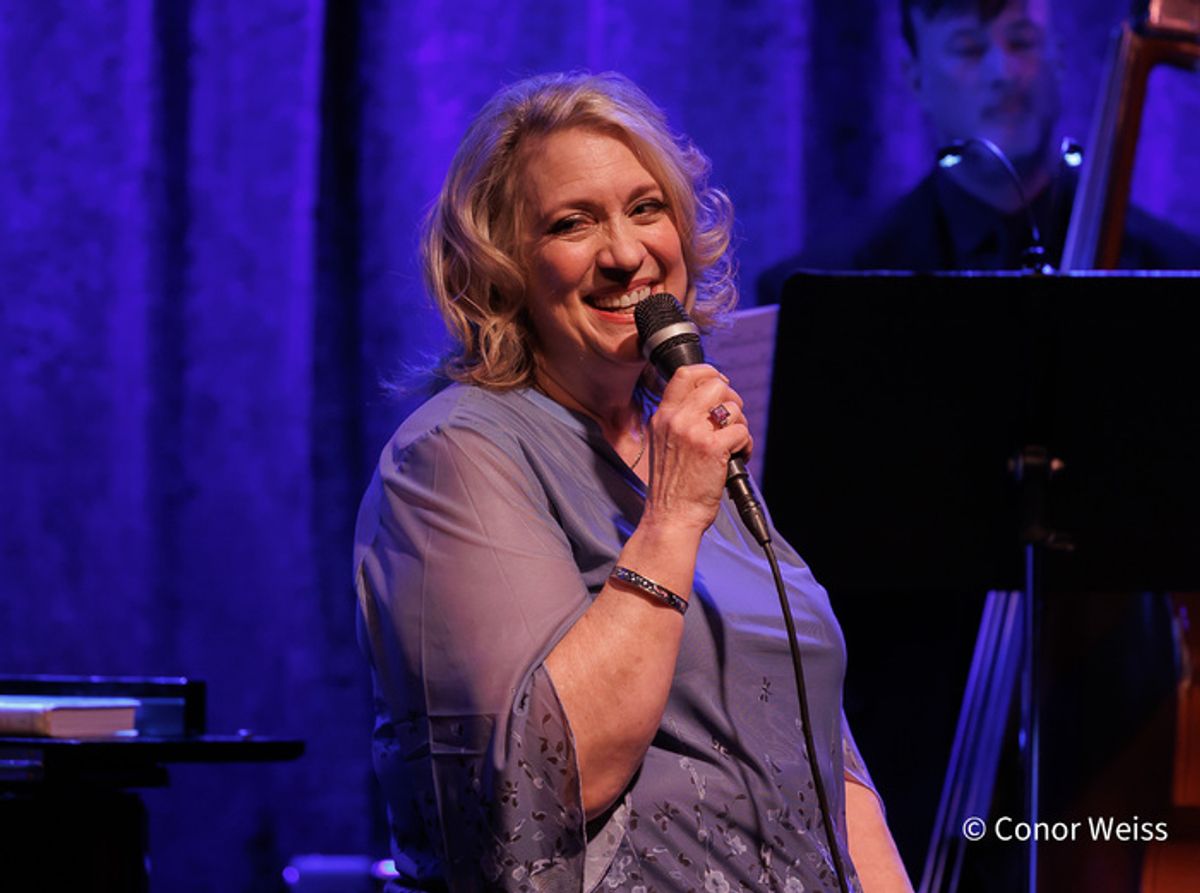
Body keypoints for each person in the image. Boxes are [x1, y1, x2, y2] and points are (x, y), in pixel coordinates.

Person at [353, 72, 912, 892]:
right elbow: (537, 786)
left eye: (647, 209)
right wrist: (676, 511)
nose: (625, 253)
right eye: (572, 223)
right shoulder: (453, 458)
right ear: (503, 270)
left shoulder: (684, 448)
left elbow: (828, 765)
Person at [758, 0, 1199, 295]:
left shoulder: (1180, 269)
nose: (1003, 72)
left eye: (1022, 42)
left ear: (1060, 58)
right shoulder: (828, 289)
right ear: (916, 79)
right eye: (968, 48)